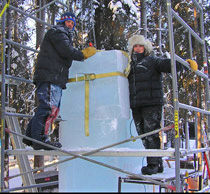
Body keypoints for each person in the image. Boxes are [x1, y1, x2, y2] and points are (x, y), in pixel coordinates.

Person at [22, 12, 96, 150]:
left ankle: (30, 137)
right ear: (62, 22)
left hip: (52, 76)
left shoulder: (60, 33)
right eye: (68, 22)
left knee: (47, 107)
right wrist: (83, 54)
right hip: (51, 76)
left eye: (72, 23)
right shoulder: (58, 31)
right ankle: (40, 139)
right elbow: (66, 51)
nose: (70, 25)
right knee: (49, 108)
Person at [127, 35, 198, 175]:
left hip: (152, 103)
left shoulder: (152, 61)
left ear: (145, 47)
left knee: (151, 133)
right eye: (135, 46)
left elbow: (168, 65)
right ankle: (158, 163)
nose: (138, 48)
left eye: (140, 46)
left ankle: (152, 164)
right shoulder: (129, 64)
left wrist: (186, 64)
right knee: (142, 134)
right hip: (136, 104)